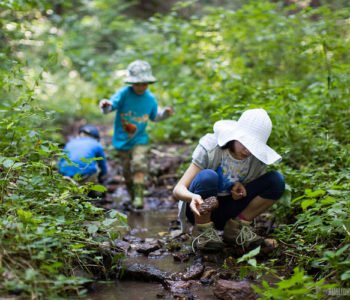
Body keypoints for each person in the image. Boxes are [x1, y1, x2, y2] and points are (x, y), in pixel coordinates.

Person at [173, 108, 285, 252]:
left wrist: (239, 186)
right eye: (245, 143)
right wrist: (193, 197)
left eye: (253, 146)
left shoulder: (256, 160)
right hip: (199, 208)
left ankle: (236, 229)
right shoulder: (211, 148)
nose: (248, 151)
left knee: (276, 180)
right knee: (208, 176)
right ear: (235, 136)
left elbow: (250, 187)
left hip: (229, 210)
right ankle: (203, 231)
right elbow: (178, 189)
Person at [99, 60, 173, 209]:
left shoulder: (150, 99)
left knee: (139, 165)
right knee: (126, 171)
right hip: (122, 140)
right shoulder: (124, 94)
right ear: (131, 83)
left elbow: (155, 116)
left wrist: (165, 114)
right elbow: (111, 106)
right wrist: (105, 105)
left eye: (144, 83)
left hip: (140, 139)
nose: (141, 87)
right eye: (137, 83)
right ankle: (133, 197)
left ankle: (139, 198)